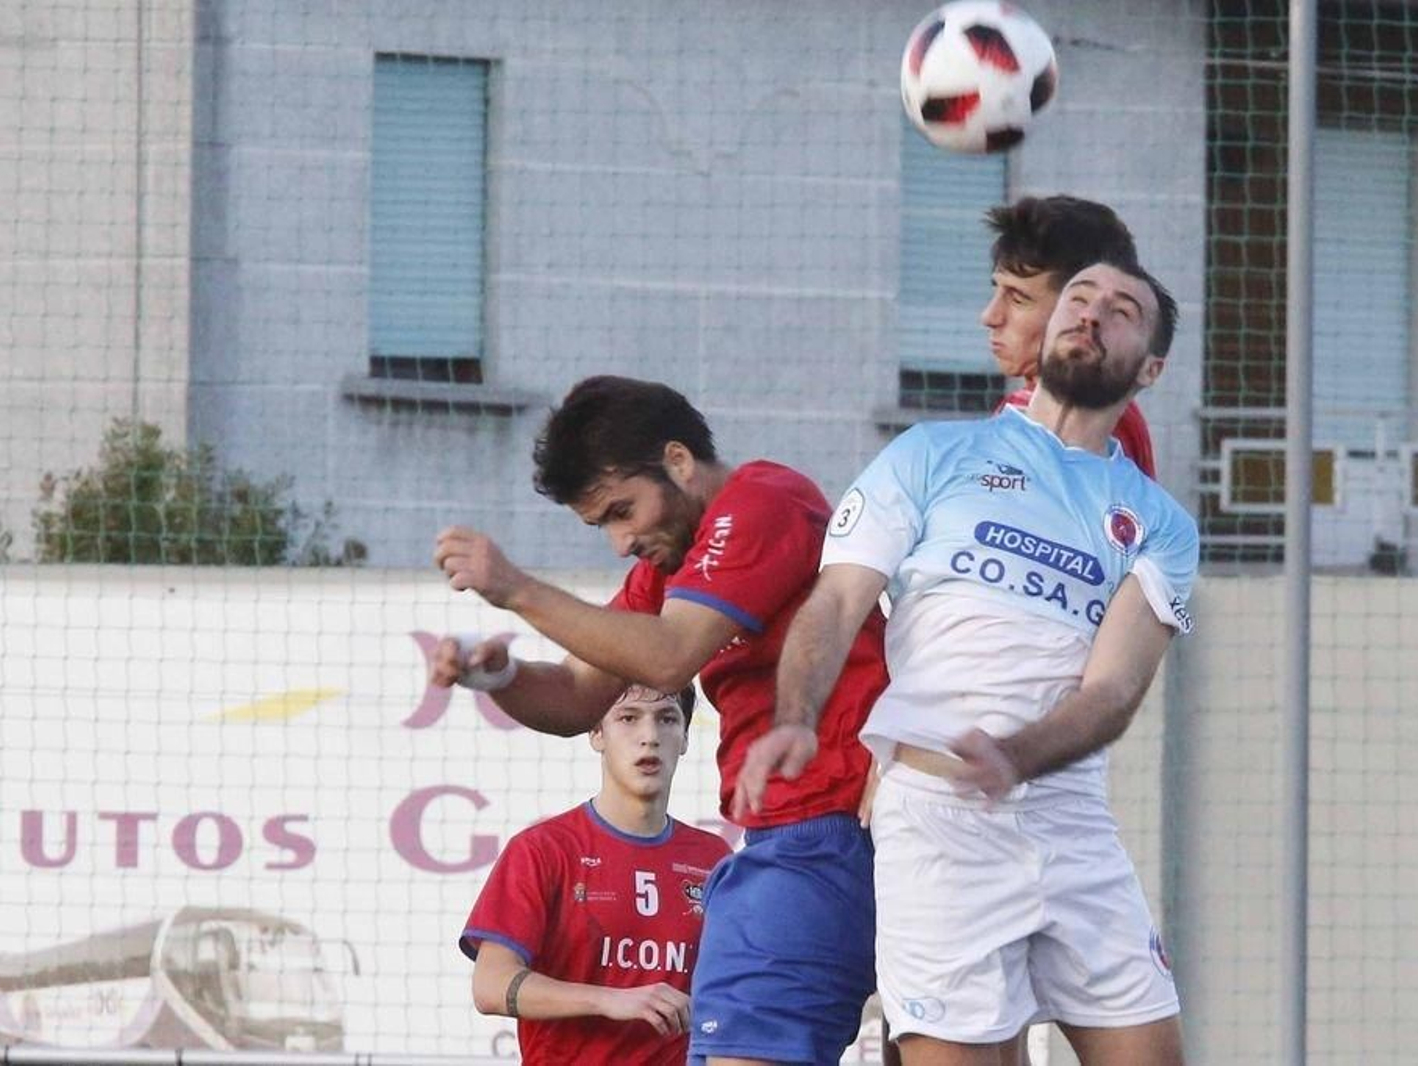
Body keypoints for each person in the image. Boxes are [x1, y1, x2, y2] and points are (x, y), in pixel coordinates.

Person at [737, 261, 1196, 1065]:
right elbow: (836, 601)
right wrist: (798, 716)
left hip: (1070, 820)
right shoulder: (930, 454)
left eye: (1122, 310)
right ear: (1048, 328)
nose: (1092, 314)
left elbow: (1116, 689)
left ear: (1150, 368)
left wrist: (1015, 757)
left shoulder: (1159, 523)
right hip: (936, 821)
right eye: (1079, 298)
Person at [432, 375, 887, 1065]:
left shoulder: (763, 500)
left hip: (829, 832)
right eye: (602, 526)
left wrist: (518, 589)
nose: (620, 542)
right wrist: (499, 676)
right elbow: (578, 696)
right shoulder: (673, 566)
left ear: (678, 461)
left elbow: (669, 656)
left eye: (622, 511)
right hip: (788, 838)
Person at [459, 684, 731, 1065]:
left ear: (685, 737)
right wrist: (610, 1000)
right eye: (629, 718)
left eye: (667, 719)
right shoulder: (543, 849)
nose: (650, 736)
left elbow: (734, 992)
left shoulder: (714, 858)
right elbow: (490, 986)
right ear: (596, 733)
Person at [981, 195, 1159, 479]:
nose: (990, 316)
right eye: (997, 290)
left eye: (1018, 298)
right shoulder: (1116, 409)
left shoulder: (1079, 416)